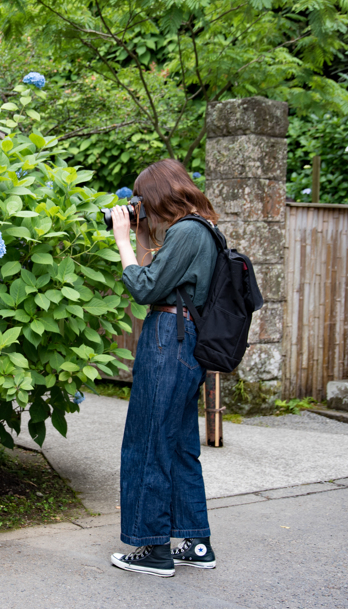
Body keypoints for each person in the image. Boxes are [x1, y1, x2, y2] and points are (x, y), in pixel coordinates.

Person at [107, 158, 220, 578]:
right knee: (178, 445)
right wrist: (139, 234)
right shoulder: (199, 229)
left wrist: (120, 239)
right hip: (184, 339)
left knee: (148, 440)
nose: (142, 206)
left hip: (168, 339)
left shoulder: (188, 231)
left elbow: (141, 288)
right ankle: (196, 541)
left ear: (159, 194)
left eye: (143, 199)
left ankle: (153, 549)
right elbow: (153, 274)